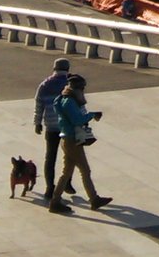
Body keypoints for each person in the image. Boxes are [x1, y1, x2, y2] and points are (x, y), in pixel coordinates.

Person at [47, 74, 111, 214]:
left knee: (66, 172)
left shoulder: (62, 98)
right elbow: (77, 120)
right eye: (82, 88)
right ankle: (94, 199)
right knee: (85, 170)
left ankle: (55, 202)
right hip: (72, 141)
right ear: (78, 89)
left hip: (67, 139)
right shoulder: (69, 101)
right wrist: (92, 115)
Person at [32, 57, 71, 200]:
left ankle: (50, 188)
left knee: (50, 158)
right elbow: (79, 105)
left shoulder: (44, 85)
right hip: (67, 127)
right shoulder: (70, 83)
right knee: (70, 156)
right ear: (67, 69)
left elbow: (38, 105)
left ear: (54, 69)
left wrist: (37, 123)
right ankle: (67, 183)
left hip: (51, 127)